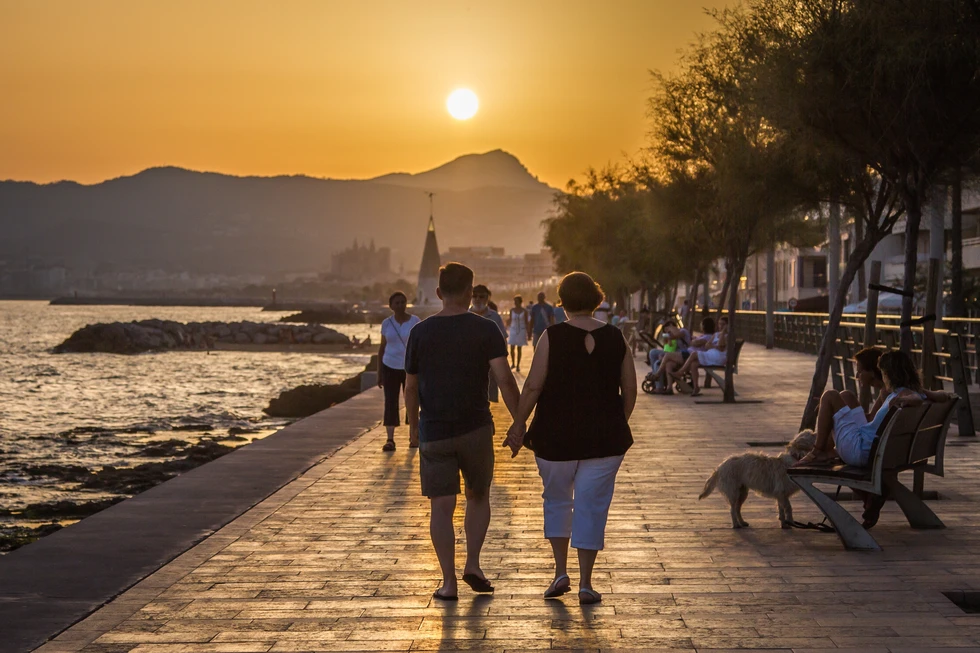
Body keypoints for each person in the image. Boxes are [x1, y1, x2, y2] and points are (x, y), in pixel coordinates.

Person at [505, 271, 636, 605]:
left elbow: (533, 386)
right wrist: (616, 422)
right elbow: (630, 390)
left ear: (562, 302)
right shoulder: (616, 337)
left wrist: (518, 425)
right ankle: (586, 584)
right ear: (596, 300)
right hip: (606, 440)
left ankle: (560, 571)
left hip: (555, 437)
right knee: (592, 506)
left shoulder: (551, 336)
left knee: (558, 500)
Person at [404, 263, 521, 601]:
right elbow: (504, 380)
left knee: (441, 506)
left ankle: (448, 583)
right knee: (478, 496)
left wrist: (413, 429)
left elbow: (410, 388)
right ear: (472, 293)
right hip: (476, 428)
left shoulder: (420, 332)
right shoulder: (486, 329)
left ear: (438, 293)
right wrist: (520, 422)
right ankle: (473, 563)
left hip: (435, 431)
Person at [794, 349, 953, 468]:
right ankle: (825, 451)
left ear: (889, 374)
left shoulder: (901, 394)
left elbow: (915, 399)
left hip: (860, 451)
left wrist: (906, 399)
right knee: (845, 396)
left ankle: (817, 452)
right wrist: (920, 393)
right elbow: (944, 395)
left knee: (829, 395)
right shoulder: (908, 392)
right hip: (872, 450)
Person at [377, 291, 421, 451]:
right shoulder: (386, 323)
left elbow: (419, 345)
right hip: (389, 365)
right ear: (391, 306)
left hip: (410, 366)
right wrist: (379, 373)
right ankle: (390, 439)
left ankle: (413, 436)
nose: (400, 305)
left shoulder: (415, 321)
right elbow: (382, 348)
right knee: (390, 401)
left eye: (403, 302)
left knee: (412, 401)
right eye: (397, 303)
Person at [669, 316, 728, 397]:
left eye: (723, 324)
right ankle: (696, 387)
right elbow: (707, 345)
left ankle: (680, 372)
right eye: (719, 324)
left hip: (719, 357)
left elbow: (721, 347)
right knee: (694, 363)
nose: (720, 326)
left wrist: (724, 332)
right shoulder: (716, 334)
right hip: (711, 354)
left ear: (727, 325)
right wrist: (715, 346)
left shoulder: (727, 336)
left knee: (694, 354)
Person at [653, 317, 710, 395]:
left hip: (688, 354)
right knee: (668, 363)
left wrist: (671, 329)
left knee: (666, 356)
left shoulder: (683, 331)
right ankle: (669, 388)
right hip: (685, 354)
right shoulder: (702, 336)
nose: (668, 332)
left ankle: (658, 374)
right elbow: (668, 341)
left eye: (669, 329)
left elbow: (689, 342)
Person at [470, 284, 507, 402]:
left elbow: (502, 338)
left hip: (491, 362)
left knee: (490, 395)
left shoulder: (494, 316)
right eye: (474, 296)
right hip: (469, 362)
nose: (477, 299)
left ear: (487, 298)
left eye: (481, 297)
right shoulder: (465, 314)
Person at [508, 295, 530, 371]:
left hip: (522, 330)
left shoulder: (524, 311)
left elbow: (527, 322)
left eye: (516, 301)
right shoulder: (511, 310)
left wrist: (528, 332)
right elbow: (510, 320)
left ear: (520, 302)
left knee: (519, 348)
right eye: (514, 301)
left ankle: (518, 365)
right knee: (511, 347)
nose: (515, 303)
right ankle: (513, 363)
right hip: (513, 329)